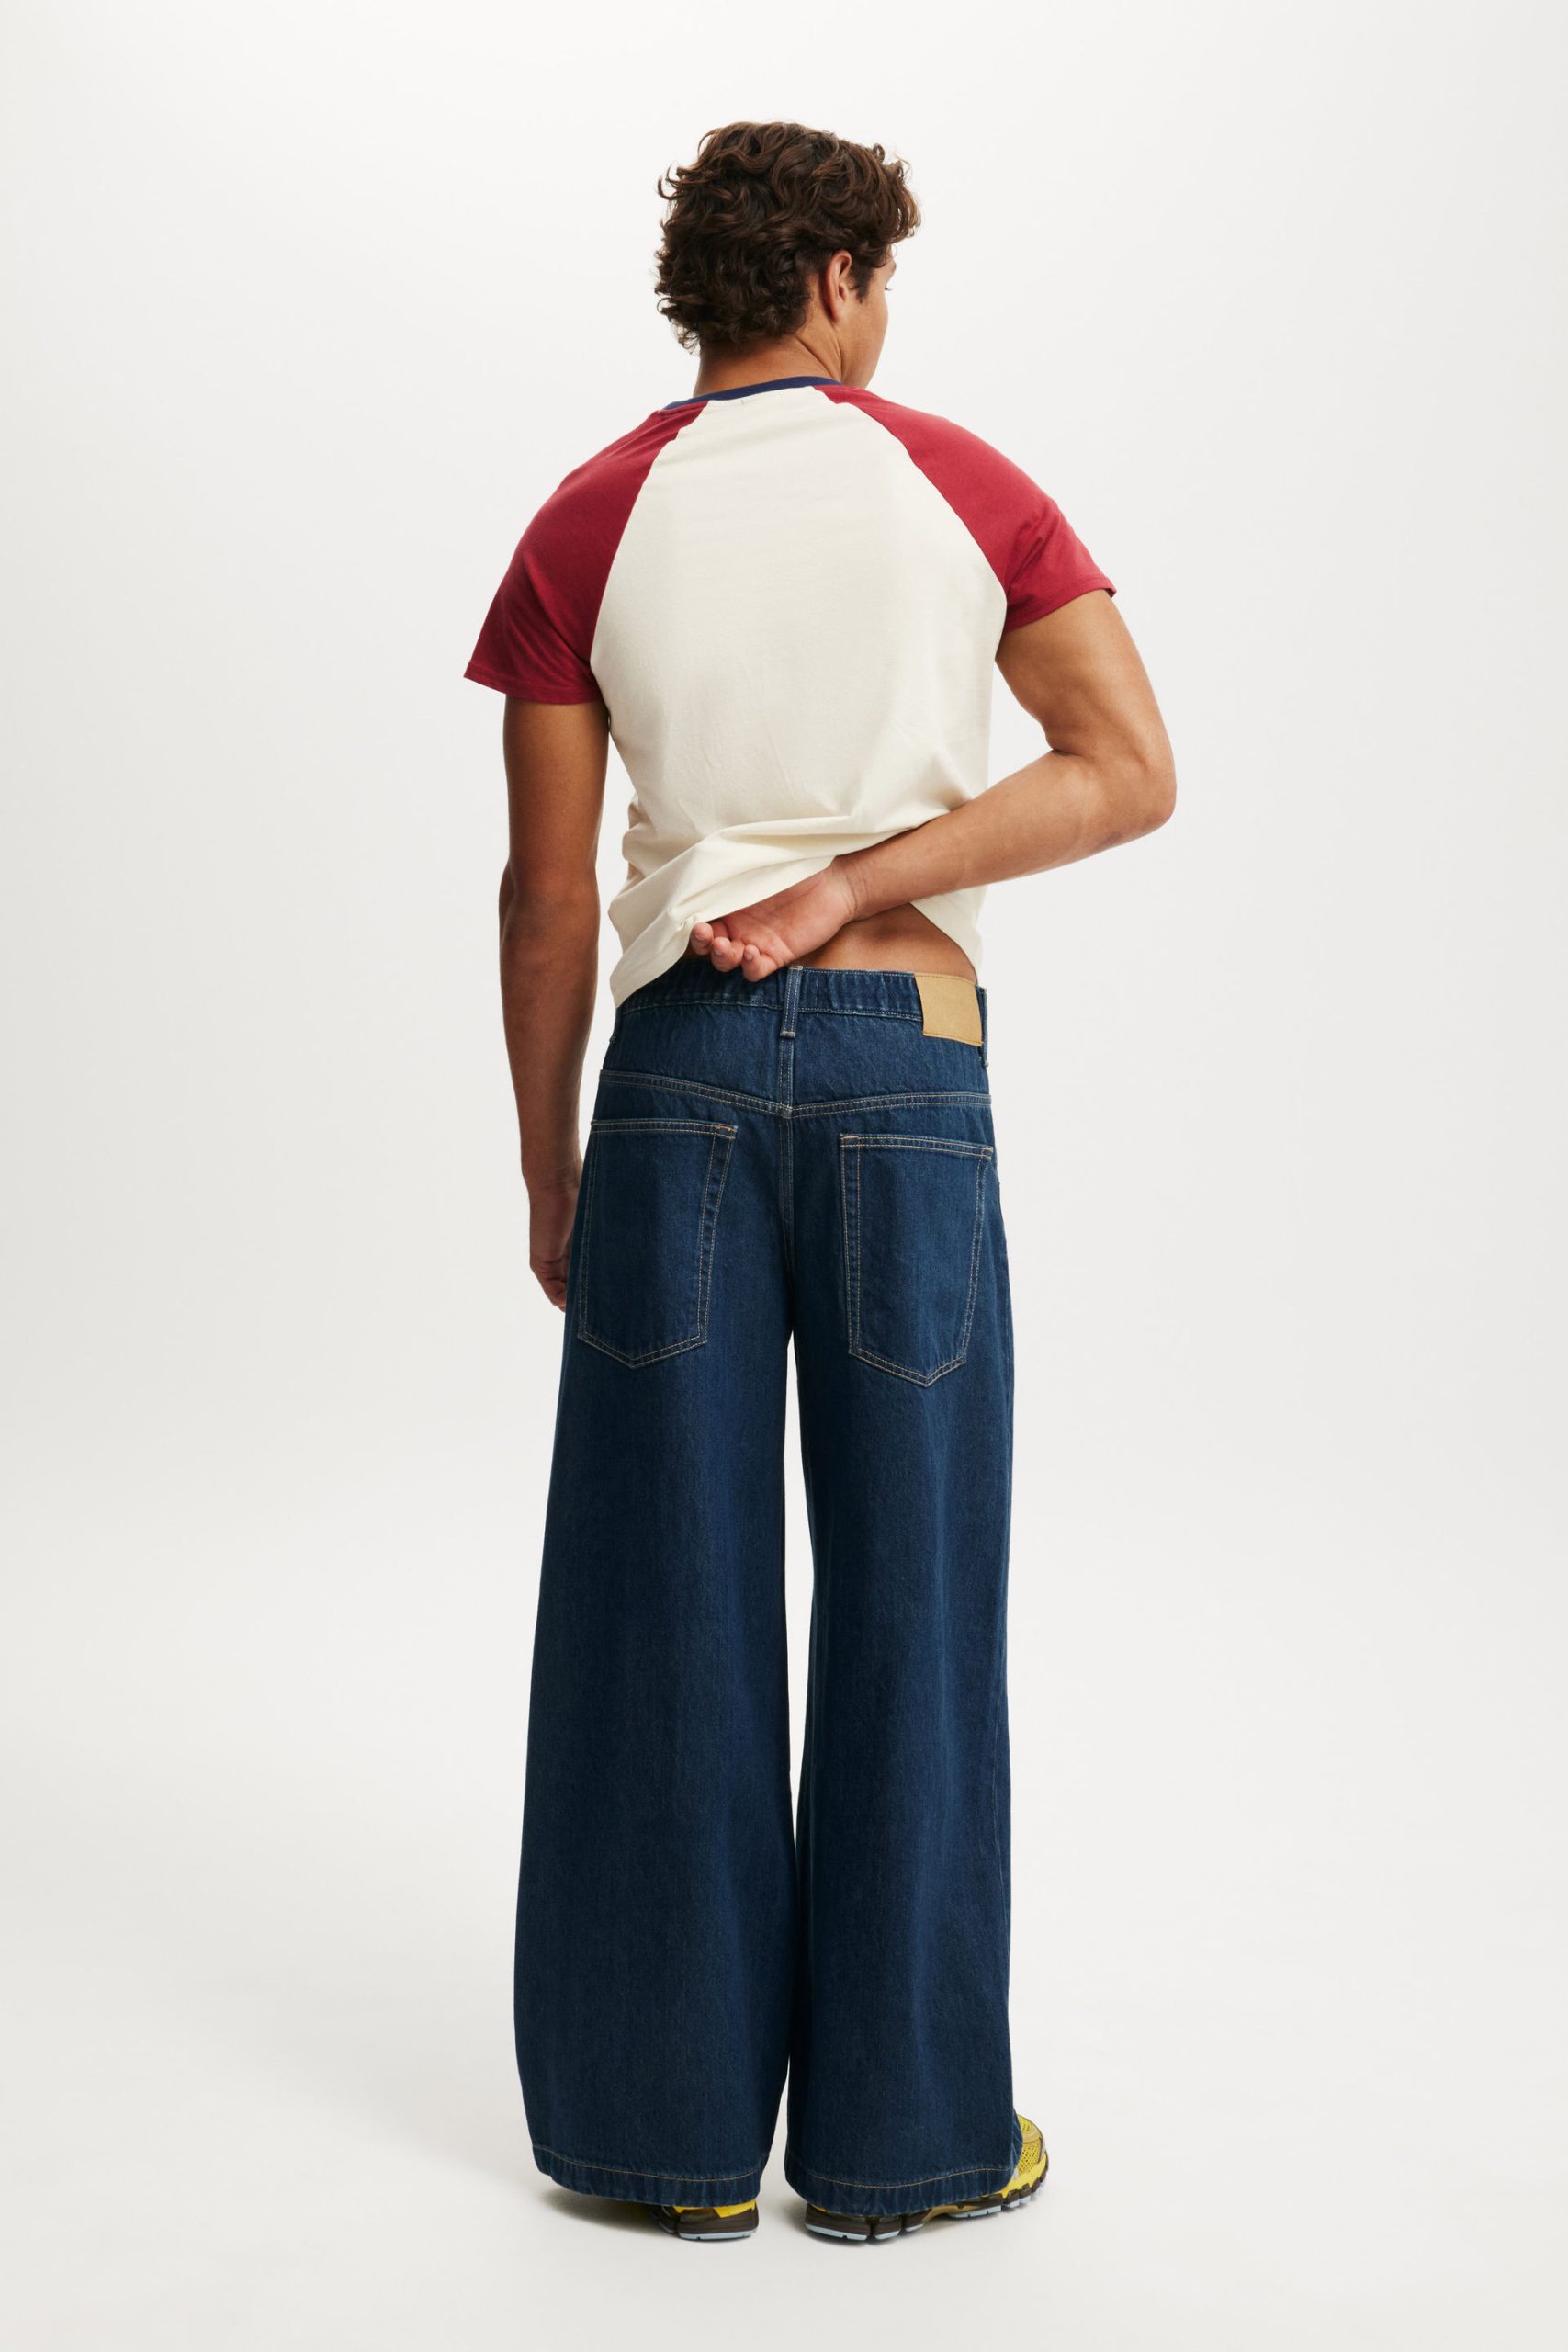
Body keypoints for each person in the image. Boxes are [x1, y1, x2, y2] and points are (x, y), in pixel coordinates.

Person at [462, 119, 1175, 2245]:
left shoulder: (585, 518)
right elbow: (1124, 769)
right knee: (916, 1596)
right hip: (904, 1064)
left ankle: (660, 2143)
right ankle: (906, 2143)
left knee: (655, 1597)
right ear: (840, 279)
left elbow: (543, 900)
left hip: (673, 1079)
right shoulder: (957, 481)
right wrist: (870, 882)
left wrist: (549, 1162)